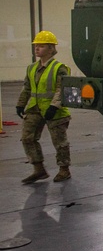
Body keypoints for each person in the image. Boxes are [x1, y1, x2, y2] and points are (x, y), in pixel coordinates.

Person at [16, 30, 72, 183]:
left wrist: (54, 106)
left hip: (55, 111)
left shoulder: (59, 68)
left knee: (59, 142)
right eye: (36, 46)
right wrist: (20, 104)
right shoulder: (31, 68)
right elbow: (27, 88)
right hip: (35, 108)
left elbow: (62, 89)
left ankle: (64, 169)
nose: (37, 48)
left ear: (51, 48)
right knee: (27, 138)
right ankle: (38, 169)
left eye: (41, 46)